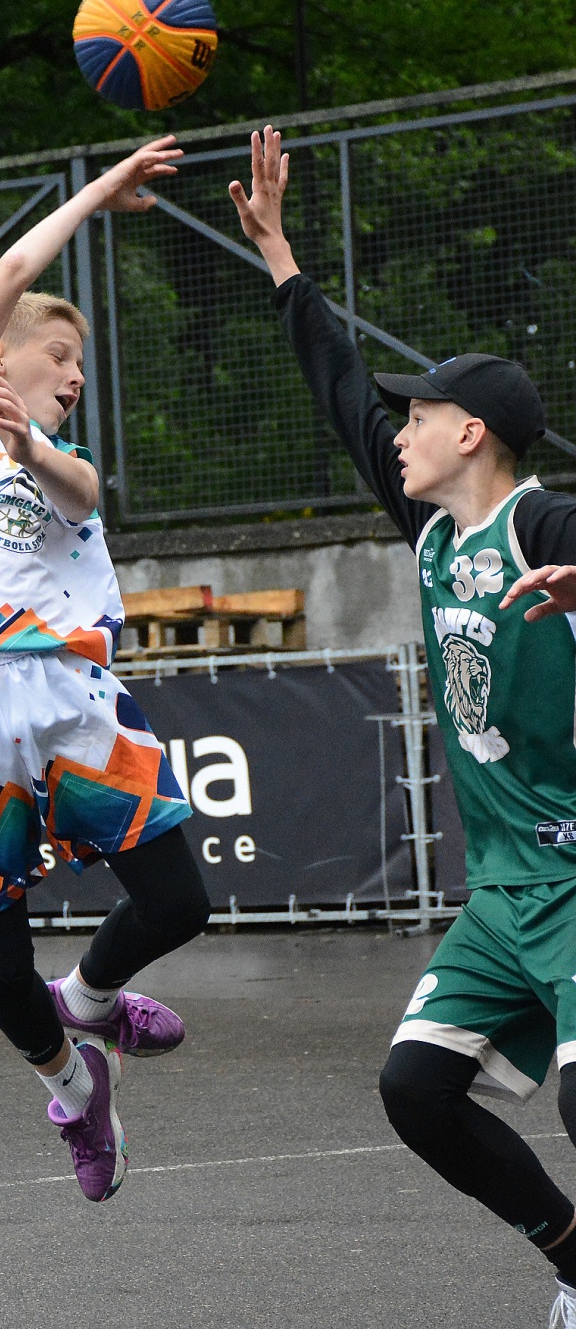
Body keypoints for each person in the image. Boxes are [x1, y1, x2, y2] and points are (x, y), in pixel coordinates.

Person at [230, 124, 576, 1326]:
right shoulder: (433, 531)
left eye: (415, 416)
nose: (396, 431)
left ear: (468, 432)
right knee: (414, 1089)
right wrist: (281, 260)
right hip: (502, 890)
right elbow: (340, 387)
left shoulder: (544, 525)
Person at [0, 134, 210, 1202]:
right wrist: (98, 190)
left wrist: (33, 451)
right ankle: (72, 1086)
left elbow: (83, 494)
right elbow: (16, 267)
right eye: (59, 356)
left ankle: (91, 997)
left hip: (65, 690)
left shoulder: (55, 462)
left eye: (79, 364)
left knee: (179, 903)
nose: (74, 374)